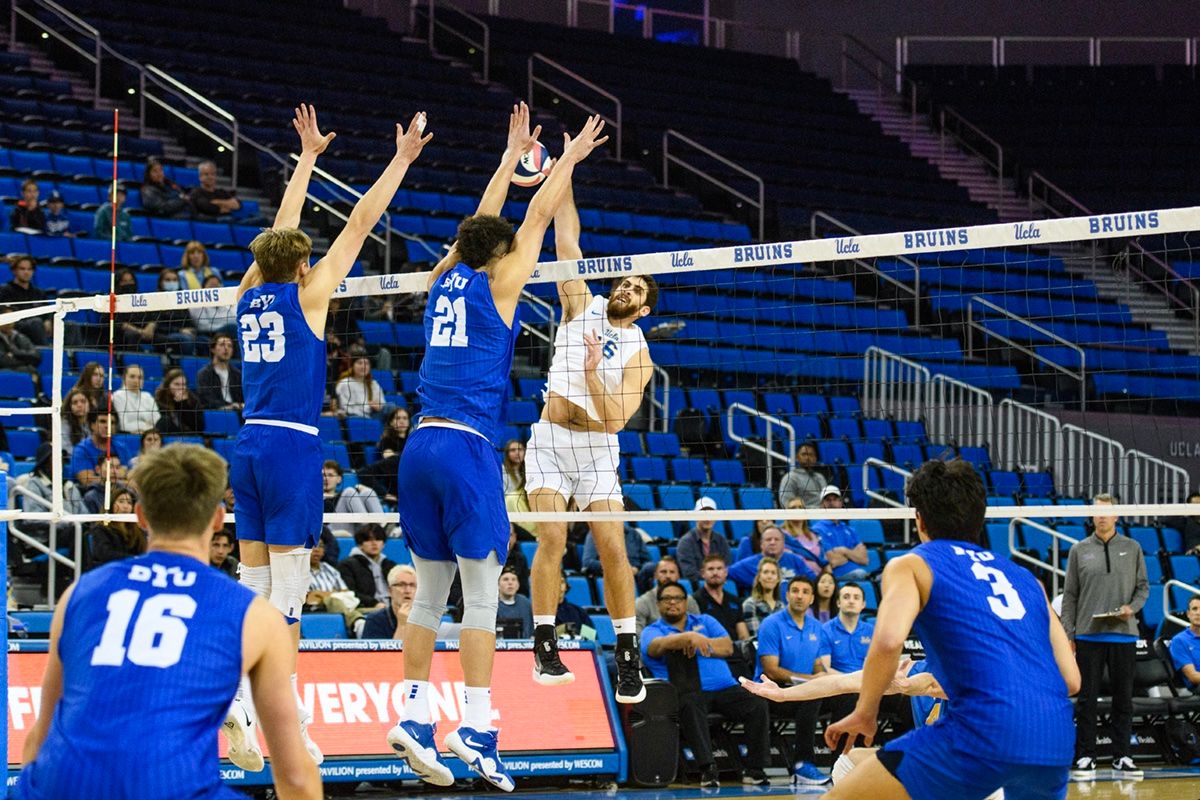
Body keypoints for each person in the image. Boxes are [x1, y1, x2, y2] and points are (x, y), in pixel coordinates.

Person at [387, 105, 606, 792]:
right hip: (467, 446)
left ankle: (414, 716)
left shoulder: (442, 279)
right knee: (481, 598)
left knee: (428, 597)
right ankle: (476, 725)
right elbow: (534, 218)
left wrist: (508, 159)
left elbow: (478, 227)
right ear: (499, 254)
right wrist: (566, 159)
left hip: (418, 447)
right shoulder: (500, 283)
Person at [224, 103, 421, 771]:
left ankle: (262, 709)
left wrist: (306, 160)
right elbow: (361, 222)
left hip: (247, 444)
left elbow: (276, 239)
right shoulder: (308, 298)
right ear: (304, 268)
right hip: (291, 447)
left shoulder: (248, 293)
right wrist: (400, 160)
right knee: (288, 597)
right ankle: (268, 711)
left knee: (253, 584)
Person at [14, 444, 322, 799]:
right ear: (219, 519)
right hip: (169, 786)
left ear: (142, 517)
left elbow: (41, 736)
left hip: (60, 785)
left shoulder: (79, 594)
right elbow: (295, 779)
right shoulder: (255, 615)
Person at [823, 459, 1080, 800]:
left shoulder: (913, 564)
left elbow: (888, 642)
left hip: (982, 731)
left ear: (919, 520)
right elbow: (1072, 680)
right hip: (1055, 737)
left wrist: (865, 712)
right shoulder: (1029, 580)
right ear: (980, 518)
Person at [525, 171, 656, 703]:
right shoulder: (583, 304)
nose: (626, 288)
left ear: (645, 308)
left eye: (638, 289)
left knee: (611, 547)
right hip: (552, 440)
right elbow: (567, 239)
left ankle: (627, 656)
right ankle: (543, 642)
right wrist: (566, 174)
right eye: (625, 281)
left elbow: (616, 421)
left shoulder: (640, 353)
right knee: (553, 538)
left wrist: (596, 373)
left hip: (599, 449)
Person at [641, 580, 771, 788]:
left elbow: (727, 647)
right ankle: (708, 769)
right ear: (658, 604)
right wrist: (688, 638)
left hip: (725, 689)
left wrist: (699, 641)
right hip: (687, 691)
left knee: (757, 703)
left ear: (686, 602)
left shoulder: (706, 620)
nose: (672, 602)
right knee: (690, 705)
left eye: (678, 598)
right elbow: (656, 647)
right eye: (667, 599)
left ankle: (755, 769)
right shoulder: (653, 630)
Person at [1060, 492, 1149, 779]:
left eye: (1106, 512)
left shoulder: (1133, 547)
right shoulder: (1079, 550)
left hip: (1123, 635)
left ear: (1117, 515)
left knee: (1124, 699)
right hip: (1088, 636)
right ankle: (1086, 755)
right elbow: (1070, 595)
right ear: (1091, 515)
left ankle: (1122, 755)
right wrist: (1068, 633)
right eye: (1096, 511)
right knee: (1087, 699)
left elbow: (1144, 587)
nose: (1101, 516)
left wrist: (1131, 608)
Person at [754, 575, 829, 785]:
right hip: (773, 692)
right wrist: (813, 681)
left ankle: (843, 762)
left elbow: (817, 665)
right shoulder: (771, 624)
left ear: (812, 599)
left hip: (804, 690)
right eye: (795, 591)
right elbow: (771, 670)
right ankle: (802, 766)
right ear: (787, 595)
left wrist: (821, 677)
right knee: (812, 697)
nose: (799, 596)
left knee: (847, 697)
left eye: (805, 592)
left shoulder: (816, 626)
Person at [727, 525, 816, 594]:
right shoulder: (747, 565)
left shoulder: (795, 560)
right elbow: (725, 573)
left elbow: (814, 580)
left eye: (776, 539)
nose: (772, 542)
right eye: (768, 539)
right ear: (761, 544)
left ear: (783, 544)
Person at [811, 486, 870, 580]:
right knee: (861, 575)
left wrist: (844, 551)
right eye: (828, 500)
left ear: (841, 503)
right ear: (822, 504)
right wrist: (853, 554)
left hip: (858, 574)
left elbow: (864, 559)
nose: (831, 503)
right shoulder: (817, 530)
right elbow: (832, 561)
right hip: (836, 577)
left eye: (835, 499)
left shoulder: (850, 530)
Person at [336, 524, 395, 610]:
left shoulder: (389, 564)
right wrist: (374, 603)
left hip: (392, 606)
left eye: (378, 539)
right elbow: (349, 592)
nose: (374, 543)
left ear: (383, 544)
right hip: (365, 607)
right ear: (360, 544)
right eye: (368, 540)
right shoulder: (347, 565)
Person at [84, 487, 147, 569]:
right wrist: (133, 559)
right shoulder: (101, 529)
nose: (126, 506)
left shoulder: (137, 530)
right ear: (111, 505)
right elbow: (104, 553)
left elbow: (143, 552)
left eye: (129, 503)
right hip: (109, 570)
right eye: (121, 502)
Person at [635, 556, 700, 632]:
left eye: (672, 572)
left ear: (678, 576)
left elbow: (699, 628)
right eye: (663, 572)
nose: (668, 576)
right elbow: (637, 635)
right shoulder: (643, 602)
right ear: (655, 575)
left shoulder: (689, 601)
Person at [691, 554, 749, 640]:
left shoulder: (735, 600)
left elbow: (743, 635)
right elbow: (697, 633)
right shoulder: (694, 600)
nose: (715, 573)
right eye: (711, 569)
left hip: (736, 649)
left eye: (719, 569)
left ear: (725, 573)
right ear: (703, 573)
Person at [676, 497, 732, 583]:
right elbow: (689, 572)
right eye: (703, 513)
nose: (707, 518)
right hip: (697, 586)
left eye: (710, 514)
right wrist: (713, 579)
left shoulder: (721, 540)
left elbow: (726, 567)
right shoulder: (685, 542)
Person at [70, 409, 130, 489]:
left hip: (119, 493)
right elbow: (87, 480)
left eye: (112, 423)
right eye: (102, 421)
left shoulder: (121, 447)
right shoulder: (81, 450)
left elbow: (130, 476)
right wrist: (119, 480)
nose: (107, 426)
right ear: (92, 425)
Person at [0, 254, 49, 344]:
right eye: (22, 269)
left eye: (29, 269)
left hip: (37, 326)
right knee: (36, 322)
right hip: (16, 326)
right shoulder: (4, 290)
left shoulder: (39, 292)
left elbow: (48, 314)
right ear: (14, 270)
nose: (26, 272)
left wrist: (48, 321)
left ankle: (74, 355)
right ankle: (46, 351)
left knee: (70, 326)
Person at [361, 564, 418, 639]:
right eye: (402, 585)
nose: (408, 591)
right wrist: (402, 625)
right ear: (390, 590)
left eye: (412, 585)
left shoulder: (424, 619)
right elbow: (394, 650)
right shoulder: (375, 620)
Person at [196, 333, 244, 411]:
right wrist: (229, 407)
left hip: (238, 412)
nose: (226, 348)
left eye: (230, 346)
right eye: (222, 345)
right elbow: (206, 399)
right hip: (217, 412)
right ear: (213, 349)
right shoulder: (204, 374)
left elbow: (243, 397)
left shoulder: (238, 374)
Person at [111, 364, 160, 434]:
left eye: (140, 377)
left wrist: (141, 428)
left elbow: (158, 422)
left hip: (150, 435)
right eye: (132, 376)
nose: (136, 380)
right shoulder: (117, 396)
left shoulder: (148, 396)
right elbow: (122, 425)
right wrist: (146, 425)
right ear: (124, 378)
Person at [155, 368, 205, 435]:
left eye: (183, 384)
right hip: (169, 437)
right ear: (168, 385)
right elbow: (164, 424)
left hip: (190, 437)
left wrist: (183, 404)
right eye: (177, 384)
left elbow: (199, 427)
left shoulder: (193, 400)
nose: (181, 388)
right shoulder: (160, 400)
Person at [335, 348, 383, 418]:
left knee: (390, 408)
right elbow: (348, 409)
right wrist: (369, 405)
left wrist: (378, 406)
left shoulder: (373, 383)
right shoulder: (345, 384)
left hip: (373, 416)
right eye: (360, 363)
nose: (363, 366)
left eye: (366, 363)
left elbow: (381, 403)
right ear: (352, 366)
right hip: (353, 418)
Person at [501, 438, 535, 537]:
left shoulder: (530, 471)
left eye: (520, 450)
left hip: (526, 509)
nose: (517, 453)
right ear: (507, 454)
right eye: (513, 450)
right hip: (509, 512)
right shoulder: (501, 471)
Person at [783, 498, 826, 576]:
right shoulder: (783, 535)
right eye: (793, 508)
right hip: (797, 577)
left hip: (819, 578)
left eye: (800, 507)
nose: (798, 510)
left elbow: (823, 559)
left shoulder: (814, 534)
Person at [741, 556, 783, 636]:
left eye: (773, 573)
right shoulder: (750, 604)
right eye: (765, 572)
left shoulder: (781, 607)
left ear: (778, 579)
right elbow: (756, 636)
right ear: (759, 577)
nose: (769, 577)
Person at [778, 442, 828, 508]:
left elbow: (827, 500)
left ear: (815, 458)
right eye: (804, 454)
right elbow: (786, 504)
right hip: (802, 516)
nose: (807, 458)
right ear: (797, 457)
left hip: (825, 515)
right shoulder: (790, 477)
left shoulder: (820, 477)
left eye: (811, 455)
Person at [191, 274, 238, 339]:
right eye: (211, 285)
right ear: (203, 288)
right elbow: (203, 326)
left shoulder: (227, 302)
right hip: (208, 333)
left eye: (217, 286)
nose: (215, 288)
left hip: (228, 331)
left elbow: (235, 320)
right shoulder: (198, 304)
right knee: (232, 328)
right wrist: (225, 327)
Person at [1168, 595, 1200, 690]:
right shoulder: (1179, 640)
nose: (1198, 613)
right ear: (1188, 614)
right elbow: (1193, 677)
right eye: (1194, 609)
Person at [496, 566, 533, 638]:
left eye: (514, 579)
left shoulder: (526, 604)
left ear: (518, 585)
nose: (510, 583)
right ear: (498, 585)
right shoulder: (492, 604)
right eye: (505, 579)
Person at [0, 307, 39, 372]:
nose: (9, 323)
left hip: (24, 370)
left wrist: (15, 353)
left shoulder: (21, 337)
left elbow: (36, 356)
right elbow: (2, 362)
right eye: (6, 319)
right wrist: (25, 361)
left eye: (11, 318)